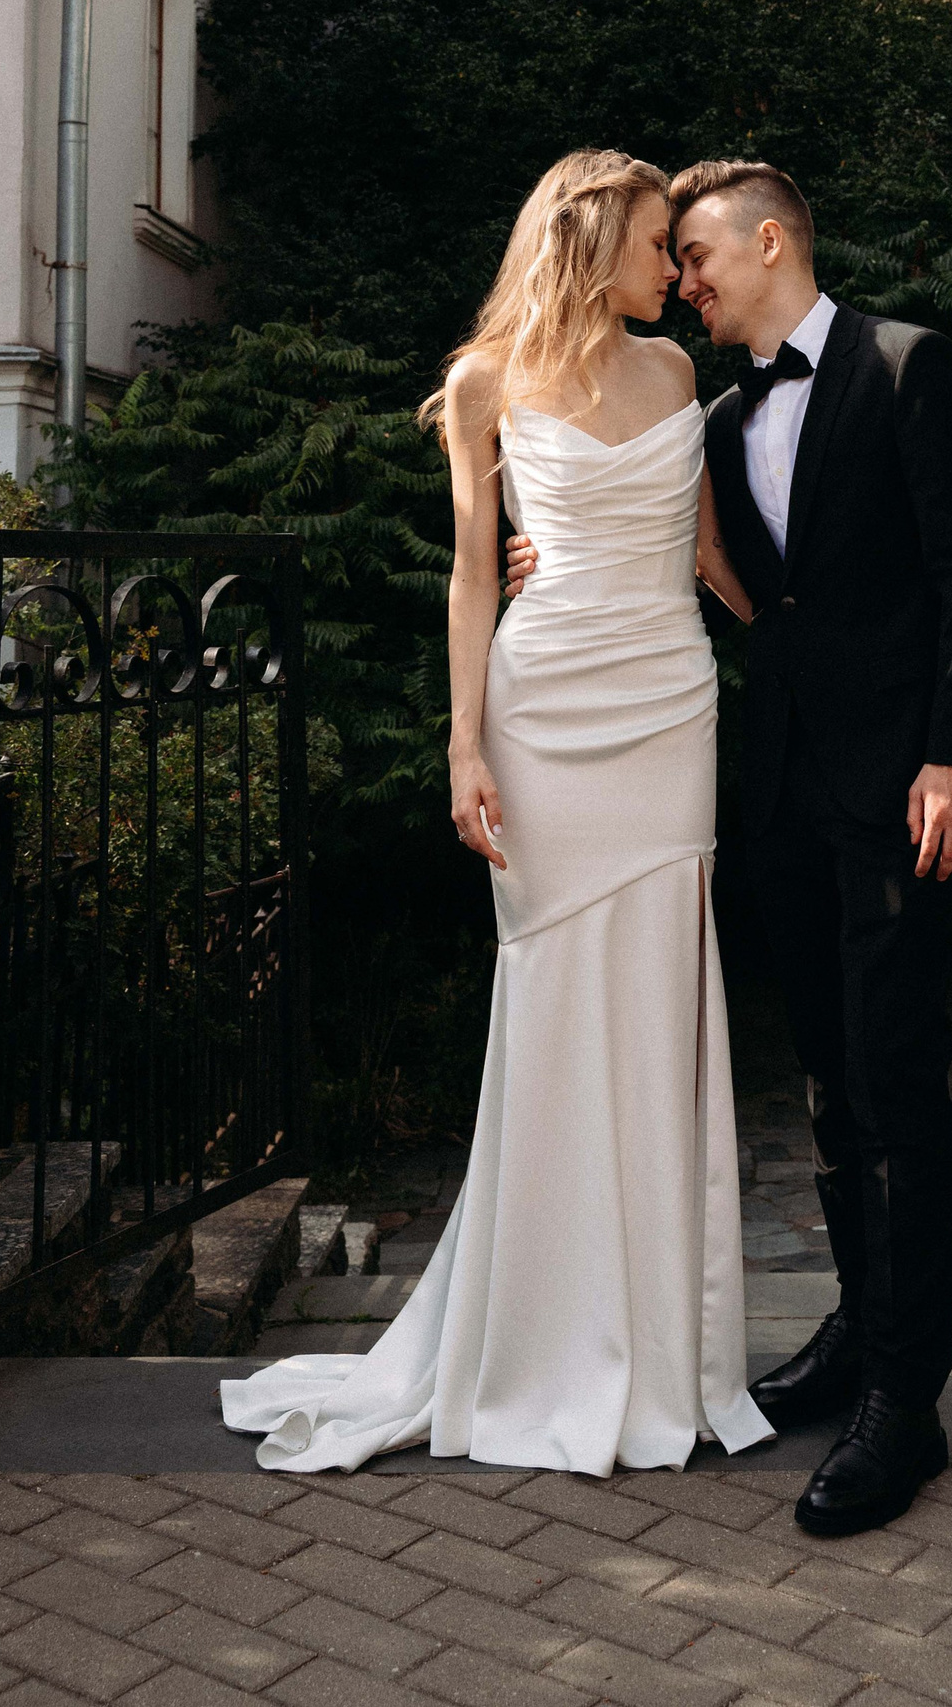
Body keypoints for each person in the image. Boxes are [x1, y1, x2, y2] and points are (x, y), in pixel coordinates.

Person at [220, 151, 773, 1476]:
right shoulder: (484, 382)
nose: (675, 268)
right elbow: (475, 577)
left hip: (668, 707)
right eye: (657, 243)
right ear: (593, 240)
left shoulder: (676, 375)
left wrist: (820, 639)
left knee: (662, 1004)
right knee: (552, 1003)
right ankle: (539, 1336)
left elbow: (707, 552)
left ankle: (661, 1346)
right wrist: (464, 744)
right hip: (543, 717)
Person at [509, 159, 952, 1538]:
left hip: (904, 794)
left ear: (771, 238)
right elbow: (724, 578)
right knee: (828, 1087)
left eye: (698, 256)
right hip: (779, 798)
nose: (683, 282)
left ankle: (907, 1401)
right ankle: (858, 1331)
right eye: (672, 261)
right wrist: (548, 560)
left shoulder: (907, 367)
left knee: (898, 1086)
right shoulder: (721, 414)